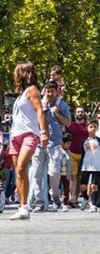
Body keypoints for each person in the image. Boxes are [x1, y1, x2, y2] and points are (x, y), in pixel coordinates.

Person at [8, 62, 49, 220]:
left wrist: (43, 132)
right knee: (19, 172)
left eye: (17, 72)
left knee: (21, 167)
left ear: (24, 74)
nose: (15, 75)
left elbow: (39, 110)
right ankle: (22, 206)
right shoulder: (20, 94)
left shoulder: (32, 91)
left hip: (29, 134)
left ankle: (25, 207)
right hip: (15, 135)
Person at [31, 80, 71, 212]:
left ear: (56, 91)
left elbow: (69, 123)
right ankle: (39, 202)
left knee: (54, 172)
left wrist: (58, 114)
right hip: (39, 143)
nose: (49, 94)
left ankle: (55, 196)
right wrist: (42, 110)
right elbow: (32, 120)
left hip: (54, 143)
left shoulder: (62, 105)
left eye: (52, 91)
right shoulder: (39, 104)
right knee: (37, 173)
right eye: (47, 91)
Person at [80, 119, 100, 212]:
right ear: (87, 128)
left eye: (95, 127)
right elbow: (82, 154)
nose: (93, 129)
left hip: (96, 166)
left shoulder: (99, 141)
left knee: (94, 186)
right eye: (91, 127)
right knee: (83, 185)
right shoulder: (84, 141)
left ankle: (94, 203)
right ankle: (86, 199)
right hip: (86, 166)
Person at [66, 106, 88, 208]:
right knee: (73, 176)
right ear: (75, 114)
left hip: (85, 155)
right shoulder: (71, 126)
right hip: (72, 153)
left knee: (80, 177)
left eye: (81, 112)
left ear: (84, 113)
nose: (80, 113)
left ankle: (77, 198)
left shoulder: (88, 126)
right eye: (78, 112)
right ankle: (73, 197)